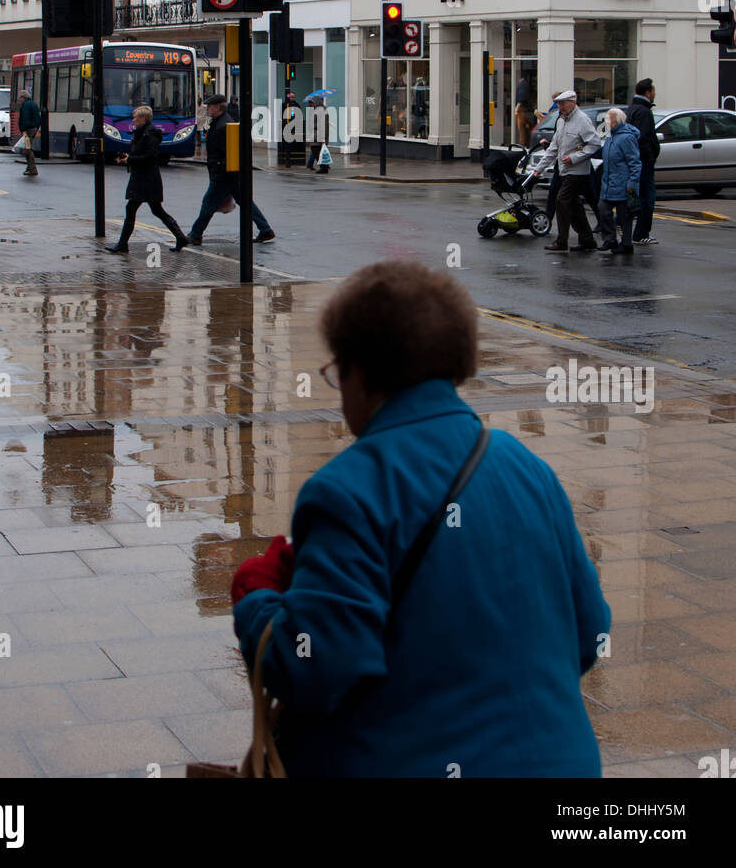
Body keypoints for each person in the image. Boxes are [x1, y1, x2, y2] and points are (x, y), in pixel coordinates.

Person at [230, 261, 610, 778]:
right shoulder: (529, 469)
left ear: (361, 372)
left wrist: (257, 600)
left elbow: (315, 670)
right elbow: (589, 636)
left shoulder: (347, 490)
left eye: (337, 371)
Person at [188, 94, 275, 245]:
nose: (207, 108)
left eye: (209, 106)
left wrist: (219, 172)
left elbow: (227, 153)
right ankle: (266, 229)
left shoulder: (223, 126)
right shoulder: (220, 122)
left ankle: (195, 234)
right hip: (229, 173)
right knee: (246, 202)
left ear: (218, 108)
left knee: (208, 202)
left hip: (224, 174)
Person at [105, 105, 188, 255]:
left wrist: (130, 159)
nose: (133, 120)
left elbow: (150, 157)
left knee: (137, 210)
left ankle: (122, 245)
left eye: (136, 117)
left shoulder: (150, 135)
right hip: (143, 178)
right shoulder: (142, 133)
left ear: (143, 118)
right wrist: (127, 157)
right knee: (155, 210)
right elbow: (140, 153)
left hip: (147, 179)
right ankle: (180, 237)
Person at [533, 89, 602, 253]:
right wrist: (538, 170)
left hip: (577, 171)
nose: (560, 107)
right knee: (574, 206)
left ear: (573, 102)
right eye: (558, 104)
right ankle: (587, 240)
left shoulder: (582, 120)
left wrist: (575, 157)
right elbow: (553, 148)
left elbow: (594, 144)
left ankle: (561, 240)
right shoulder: (561, 121)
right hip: (565, 170)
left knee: (561, 201)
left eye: (563, 104)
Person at [597, 108, 641, 256]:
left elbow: (634, 162)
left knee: (624, 217)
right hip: (609, 183)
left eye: (609, 119)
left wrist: (632, 183)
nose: (607, 122)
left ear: (618, 120)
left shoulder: (626, 138)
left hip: (622, 184)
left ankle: (626, 244)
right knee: (603, 209)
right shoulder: (611, 136)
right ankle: (610, 239)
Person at [626, 78, 660, 245]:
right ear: (647, 92)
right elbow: (643, 137)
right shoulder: (644, 111)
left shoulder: (632, 108)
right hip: (643, 162)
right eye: (653, 91)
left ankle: (623, 225)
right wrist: (650, 156)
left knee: (636, 197)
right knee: (646, 198)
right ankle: (641, 233)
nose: (655, 94)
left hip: (635, 160)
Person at [17, 88, 41, 177]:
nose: (19, 100)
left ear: (23, 97)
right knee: (28, 147)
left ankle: (32, 168)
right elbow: (38, 118)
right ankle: (29, 167)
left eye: (20, 98)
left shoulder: (25, 105)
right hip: (34, 128)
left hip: (28, 130)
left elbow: (25, 118)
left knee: (28, 149)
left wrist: (23, 129)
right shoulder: (33, 104)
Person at [305, 96, 330, 173]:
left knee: (316, 150)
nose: (311, 105)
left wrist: (323, 138)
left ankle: (324, 168)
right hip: (314, 135)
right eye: (310, 103)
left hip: (319, 135)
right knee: (316, 150)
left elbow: (324, 125)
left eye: (312, 103)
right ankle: (324, 167)